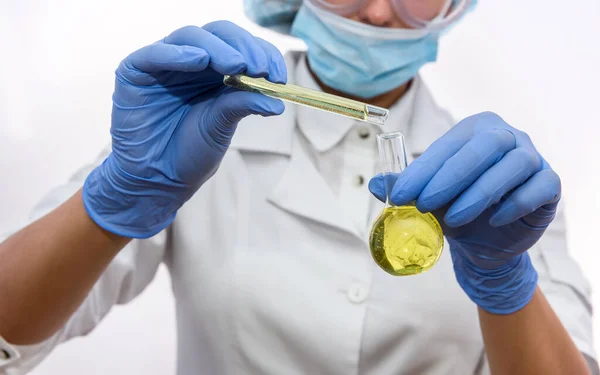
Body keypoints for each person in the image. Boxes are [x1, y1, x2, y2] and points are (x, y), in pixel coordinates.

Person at [0, 0, 597, 373]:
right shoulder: (192, 126)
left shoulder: (501, 182)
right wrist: (115, 201)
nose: (380, 12)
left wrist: (507, 286)